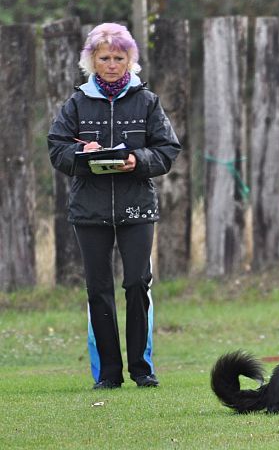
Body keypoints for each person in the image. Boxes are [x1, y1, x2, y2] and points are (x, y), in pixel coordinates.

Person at [48, 23, 181, 389]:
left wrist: (138, 160)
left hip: (137, 208)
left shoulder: (148, 102)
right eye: (104, 57)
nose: (111, 64)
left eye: (118, 58)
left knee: (138, 283)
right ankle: (107, 374)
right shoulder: (75, 103)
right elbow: (57, 149)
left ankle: (142, 369)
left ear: (130, 60)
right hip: (89, 212)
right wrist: (81, 152)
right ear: (91, 59)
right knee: (98, 290)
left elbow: (168, 149)